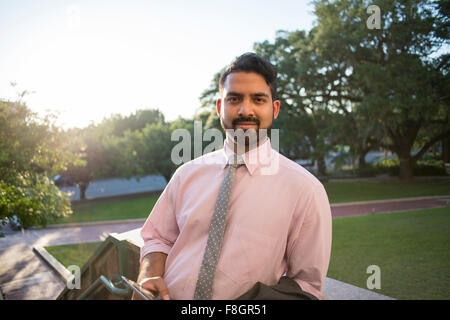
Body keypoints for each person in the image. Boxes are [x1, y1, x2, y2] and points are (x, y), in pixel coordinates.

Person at [134, 52, 332, 300]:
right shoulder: (186, 174)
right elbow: (158, 238)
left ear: (275, 109)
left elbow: (308, 287)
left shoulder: (305, 190)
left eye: (258, 99)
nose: (245, 110)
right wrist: (147, 276)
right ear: (220, 107)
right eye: (234, 98)